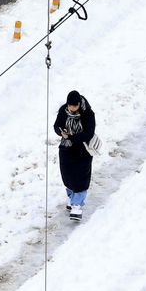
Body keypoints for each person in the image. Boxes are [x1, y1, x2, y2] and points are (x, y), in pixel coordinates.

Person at [53, 89, 96, 221]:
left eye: (75, 106)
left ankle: (77, 205)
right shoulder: (63, 111)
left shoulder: (87, 114)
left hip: (82, 149)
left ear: (79, 104)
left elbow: (89, 133)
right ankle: (71, 198)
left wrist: (72, 137)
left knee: (80, 177)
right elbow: (56, 125)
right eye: (70, 106)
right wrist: (61, 132)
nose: (72, 108)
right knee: (67, 175)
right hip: (66, 148)